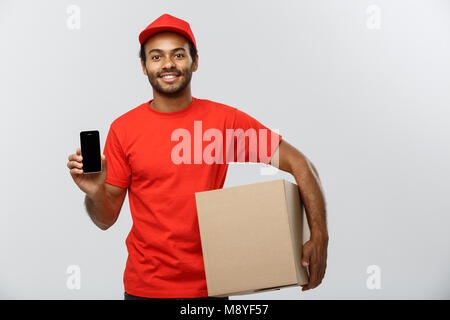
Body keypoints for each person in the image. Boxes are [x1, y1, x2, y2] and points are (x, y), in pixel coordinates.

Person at [67, 13, 328, 300]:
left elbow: (302, 165)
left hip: (211, 288)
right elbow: (105, 220)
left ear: (195, 61)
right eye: (156, 57)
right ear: (144, 67)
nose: (168, 64)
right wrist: (94, 192)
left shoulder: (224, 122)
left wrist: (320, 238)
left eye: (178, 54)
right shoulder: (123, 129)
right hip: (146, 289)